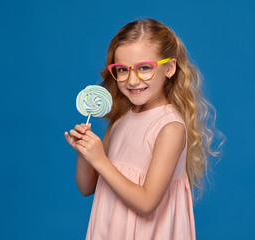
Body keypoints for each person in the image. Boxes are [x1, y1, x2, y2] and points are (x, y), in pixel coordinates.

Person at [64, 18, 221, 240]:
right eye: (122, 70)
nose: (133, 80)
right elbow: (87, 187)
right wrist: (85, 152)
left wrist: (99, 159)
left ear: (169, 68)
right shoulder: (119, 120)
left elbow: (146, 203)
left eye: (144, 68)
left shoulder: (169, 128)